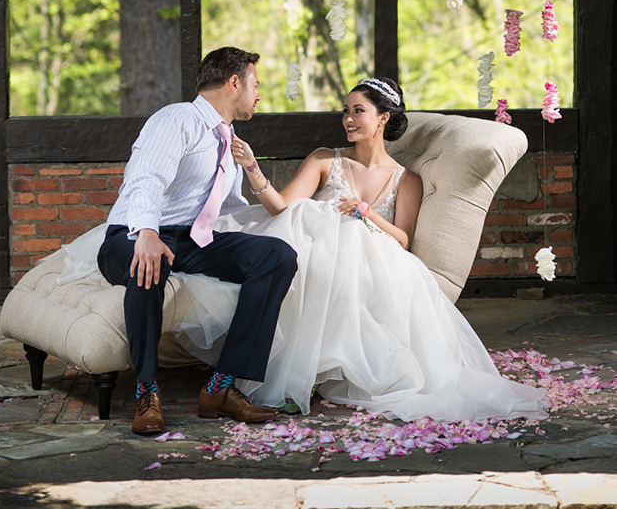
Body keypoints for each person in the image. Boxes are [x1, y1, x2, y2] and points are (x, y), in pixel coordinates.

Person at [171, 76, 548, 422]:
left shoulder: (407, 179)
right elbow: (282, 206)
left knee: (353, 232)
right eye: (345, 112)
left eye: (358, 111)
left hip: (370, 260)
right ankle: (296, 375)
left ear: (383, 118)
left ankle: (317, 373)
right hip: (310, 251)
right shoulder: (325, 159)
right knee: (317, 216)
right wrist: (253, 167)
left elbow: (402, 240)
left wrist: (367, 214)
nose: (348, 120)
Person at [97, 46, 298, 435]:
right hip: (131, 232)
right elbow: (146, 178)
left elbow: (226, 207)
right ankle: (146, 391)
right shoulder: (177, 119)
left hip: (192, 239)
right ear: (234, 82)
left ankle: (221, 387)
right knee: (149, 265)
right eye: (255, 84)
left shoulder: (228, 138)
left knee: (277, 257)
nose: (259, 94)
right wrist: (148, 234)